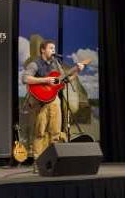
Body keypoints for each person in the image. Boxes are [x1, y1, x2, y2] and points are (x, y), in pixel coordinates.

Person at [22, 40, 84, 173]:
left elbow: (65, 80)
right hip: (39, 102)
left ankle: (52, 162)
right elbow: (25, 78)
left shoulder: (56, 64)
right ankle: (38, 163)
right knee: (40, 132)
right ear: (42, 50)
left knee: (55, 132)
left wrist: (77, 70)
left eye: (54, 48)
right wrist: (45, 80)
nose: (53, 50)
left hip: (54, 100)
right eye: (51, 48)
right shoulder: (35, 63)